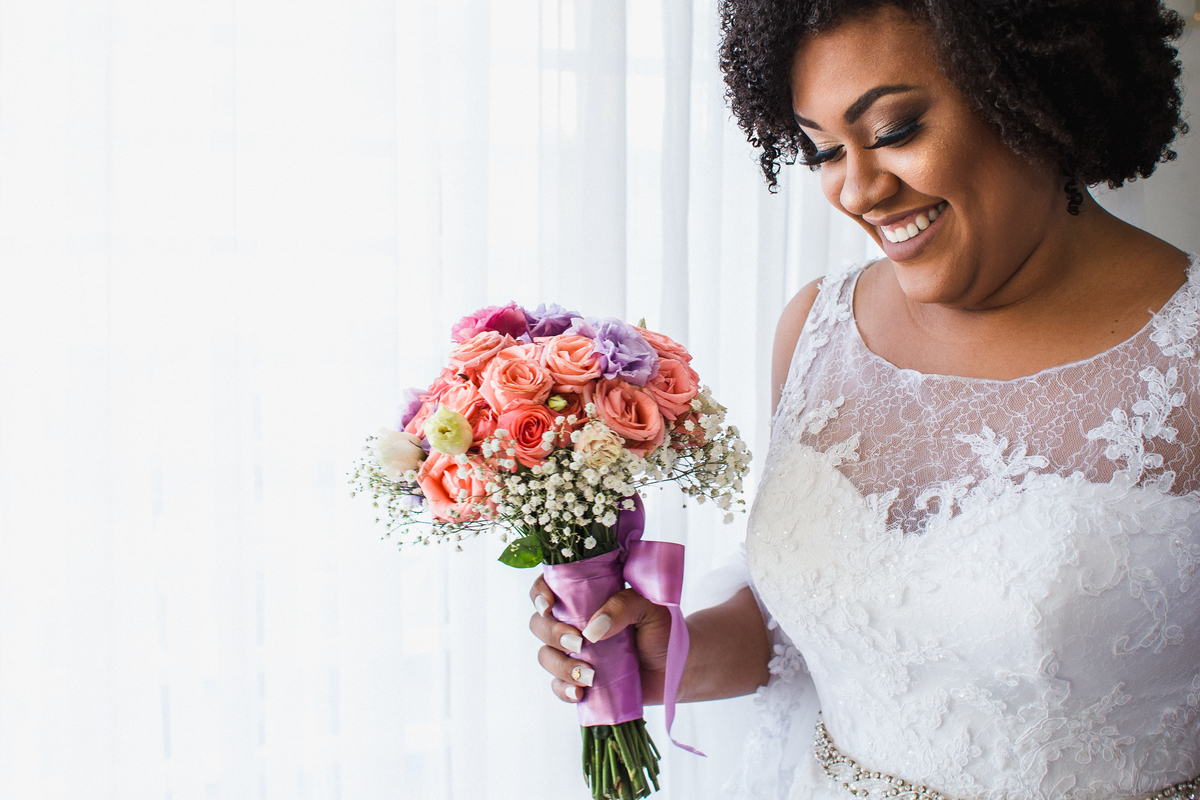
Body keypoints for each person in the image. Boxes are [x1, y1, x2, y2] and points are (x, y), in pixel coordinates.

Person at [529, 0, 1199, 797]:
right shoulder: (815, 329)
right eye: (822, 151)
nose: (857, 190)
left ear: (1032, 89)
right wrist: (670, 650)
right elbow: (820, 632)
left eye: (893, 131)